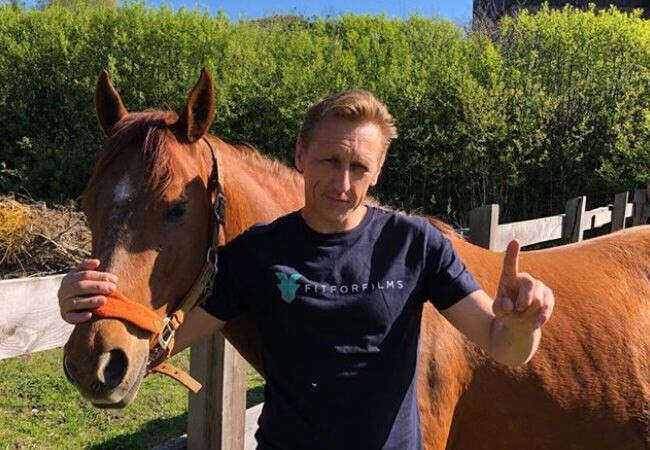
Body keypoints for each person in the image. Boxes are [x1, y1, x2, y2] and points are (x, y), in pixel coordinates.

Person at [58, 90, 554, 449]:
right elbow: (160, 340)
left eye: (358, 168)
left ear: (377, 172)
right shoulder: (255, 254)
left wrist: (522, 326)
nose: (342, 183)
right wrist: (87, 307)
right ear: (300, 155)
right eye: (329, 161)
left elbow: (504, 349)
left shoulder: (416, 244)